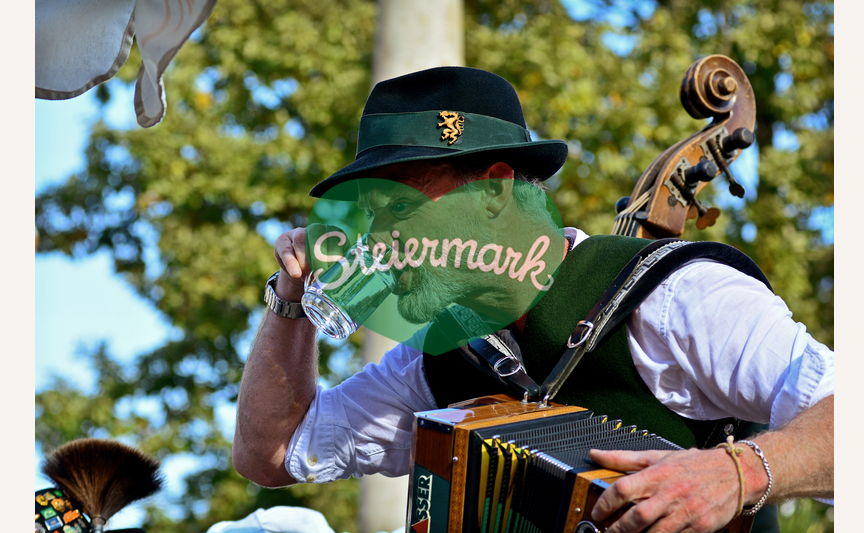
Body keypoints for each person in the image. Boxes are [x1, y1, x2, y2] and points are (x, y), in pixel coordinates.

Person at [231, 67, 833, 533]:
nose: (379, 238)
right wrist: (290, 298)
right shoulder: (438, 360)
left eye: (401, 208)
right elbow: (273, 454)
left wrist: (736, 473)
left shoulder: (675, 297)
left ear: (494, 191)